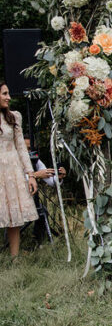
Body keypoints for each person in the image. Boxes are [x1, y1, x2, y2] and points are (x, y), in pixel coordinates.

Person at [0, 81, 38, 259]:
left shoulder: (13, 117)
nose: (9, 97)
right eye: (5, 94)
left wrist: (30, 175)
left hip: (12, 169)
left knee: (12, 216)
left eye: (8, 94)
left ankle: (14, 259)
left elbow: (22, 148)